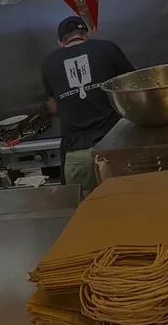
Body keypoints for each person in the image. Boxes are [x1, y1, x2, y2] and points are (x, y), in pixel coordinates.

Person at [40, 16, 135, 196]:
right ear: (87, 34)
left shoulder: (48, 63)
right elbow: (133, 89)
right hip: (114, 145)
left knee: (89, 207)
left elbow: (53, 106)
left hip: (77, 152)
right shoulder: (107, 49)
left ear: (60, 42)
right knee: (127, 199)